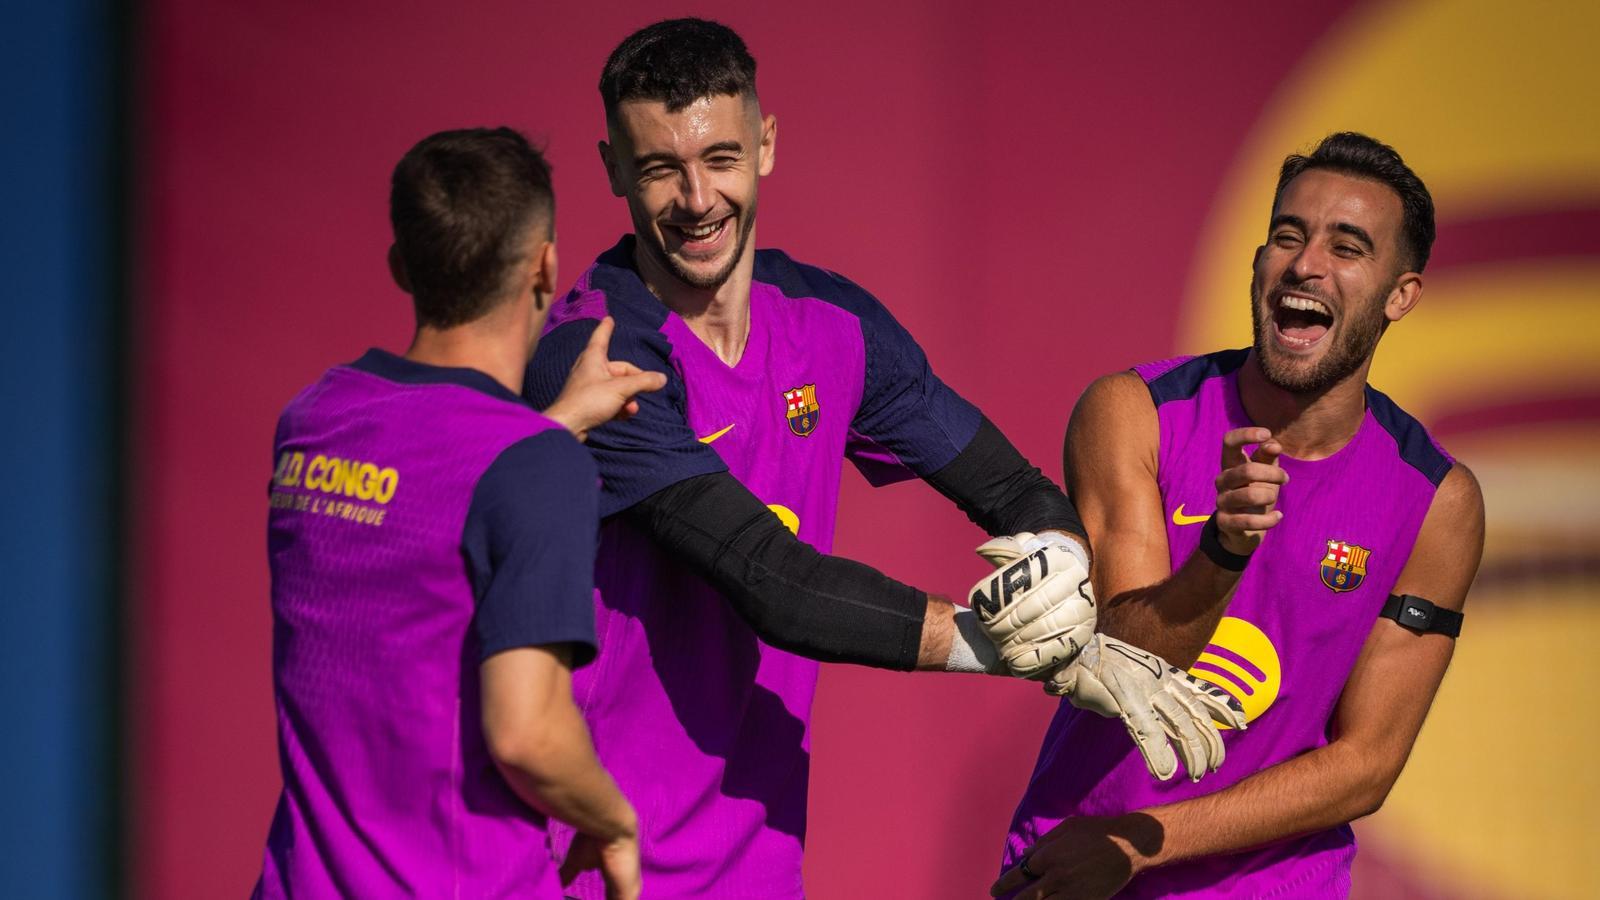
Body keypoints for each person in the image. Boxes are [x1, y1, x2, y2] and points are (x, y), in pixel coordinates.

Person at [522, 19, 1237, 899]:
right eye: (661, 168)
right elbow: (771, 581)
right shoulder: (593, 354)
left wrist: (1062, 583)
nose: (698, 198)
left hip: (759, 861)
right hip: (589, 859)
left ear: (766, 144)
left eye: (721, 158)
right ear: (612, 169)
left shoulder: (832, 323)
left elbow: (1014, 490)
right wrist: (1014, 649)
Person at [993, 132, 1485, 899]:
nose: (1305, 264)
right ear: (1258, 261)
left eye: (1346, 246)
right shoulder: (1135, 413)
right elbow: (1125, 660)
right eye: (1288, 235)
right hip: (1075, 868)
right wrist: (1223, 553)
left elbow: (1367, 764)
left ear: (1400, 295)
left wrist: (1141, 845)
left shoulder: (1437, 501)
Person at [253, 127, 667, 899]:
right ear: (544, 266)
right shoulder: (534, 469)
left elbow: (422, 496)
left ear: (400, 265)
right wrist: (614, 821)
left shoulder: (311, 422)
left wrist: (553, 427)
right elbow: (527, 735)